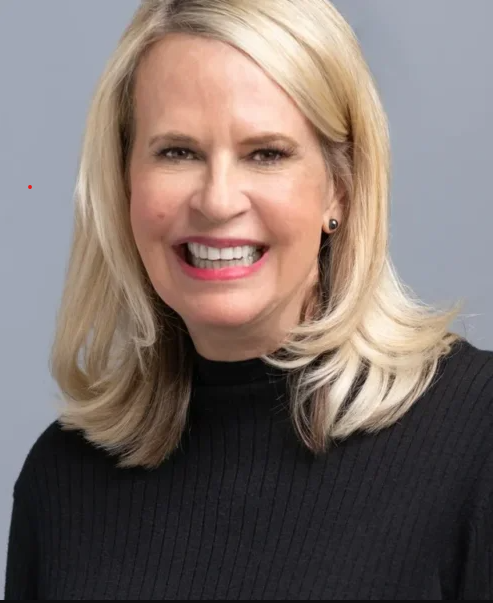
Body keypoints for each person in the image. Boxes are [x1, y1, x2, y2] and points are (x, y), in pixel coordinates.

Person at [4, 0, 493, 599]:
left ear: (339, 189)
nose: (217, 200)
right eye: (177, 151)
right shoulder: (61, 482)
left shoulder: (478, 436)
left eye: (266, 153)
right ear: (124, 181)